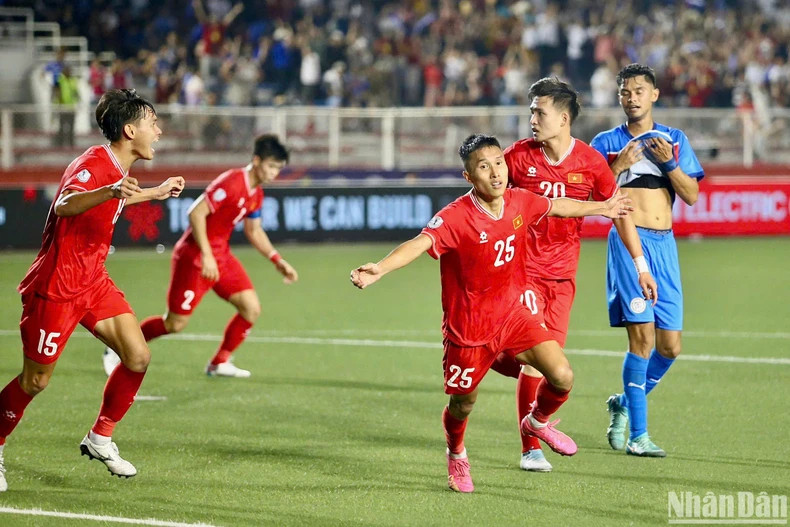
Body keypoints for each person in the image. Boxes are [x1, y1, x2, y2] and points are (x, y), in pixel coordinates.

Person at [350, 134, 635, 493]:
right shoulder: (456, 217)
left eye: (498, 162)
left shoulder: (518, 200)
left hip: (514, 316)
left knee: (562, 375)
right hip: (469, 328)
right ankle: (456, 454)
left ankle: (536, 422)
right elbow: (420, 243)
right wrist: (380, 268)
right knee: (463, 402)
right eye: (484, 167)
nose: (496, 172)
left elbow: (558, 205)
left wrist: (603, 208)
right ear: (470, 177)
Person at [0, 89, 185, 492]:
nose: (158, 130)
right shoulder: (95, 164)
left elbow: (114, 200)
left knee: (137, 356)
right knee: (35, 382)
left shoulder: (117, 167)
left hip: (92, 280)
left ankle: (100, 438)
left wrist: (155, 193)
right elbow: (66, 203)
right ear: (130, 129)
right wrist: (110, 190)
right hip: (57, 286)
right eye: (152, 122)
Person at [500, 77, 657, 472]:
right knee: (540, 361)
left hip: (563, 278)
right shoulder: (517, 157)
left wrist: (641, 266)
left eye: (540, 111)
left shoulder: (589, 163)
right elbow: (488, 198)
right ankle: (529, 448)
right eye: (531, 111)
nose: (532, 118)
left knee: (540, 363)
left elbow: (617, 212)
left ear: (564, 117)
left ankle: (506, 371)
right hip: (523, 274)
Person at [103, 134, 298, 378]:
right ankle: (116, 347)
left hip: (220, 256)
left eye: (278, 168)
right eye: (271, 166)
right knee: (174, 324)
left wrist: (277, 260)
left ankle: (219, 362)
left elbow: (254, 230)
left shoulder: (256, 193)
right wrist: (206, 255)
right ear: (257, 161)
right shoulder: (232, 182)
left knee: (251, 308)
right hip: (194, 256)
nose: (274, 173)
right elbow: (196, 213)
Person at [590, 63, 704, 457]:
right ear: (619, 97)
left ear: (654, 94)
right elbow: (590, 197)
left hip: (666, 245)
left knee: (670, 346)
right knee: (642, 339)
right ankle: (639, 436)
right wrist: (615, 166)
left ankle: (625, 401)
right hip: (627, 243)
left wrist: (669, 164)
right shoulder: (606, 141)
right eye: (625, 91)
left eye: (639, 90)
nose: (632, 97)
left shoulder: (673, 139)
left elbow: (691, 195)